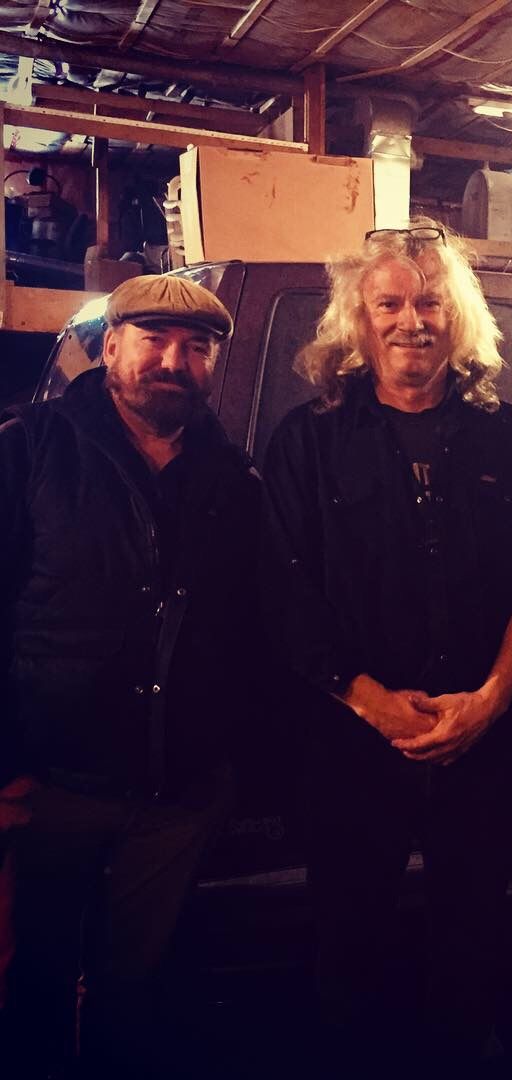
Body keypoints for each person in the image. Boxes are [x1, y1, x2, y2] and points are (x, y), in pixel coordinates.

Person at [260, 217, 512, 1072]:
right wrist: (374, 705)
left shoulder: (508, 439)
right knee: (348, 947)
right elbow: (284, 592)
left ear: (456, 317)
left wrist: (489, 703)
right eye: (388, 303)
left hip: (479, 744)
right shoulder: (308, 440)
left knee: (472, 944)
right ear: (359, 319)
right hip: (350, 747)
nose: (410, 321)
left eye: (430, 302)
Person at [0, 275, 261, 1077]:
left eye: (196, 348)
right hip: (51, 786)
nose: (173, 361)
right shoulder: (29, 449)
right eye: (154, 341)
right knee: (35, 981)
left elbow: (249, 630)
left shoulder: (234, 479)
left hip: (175, 798)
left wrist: (228, 766)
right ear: (111, 348)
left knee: (138, 988)